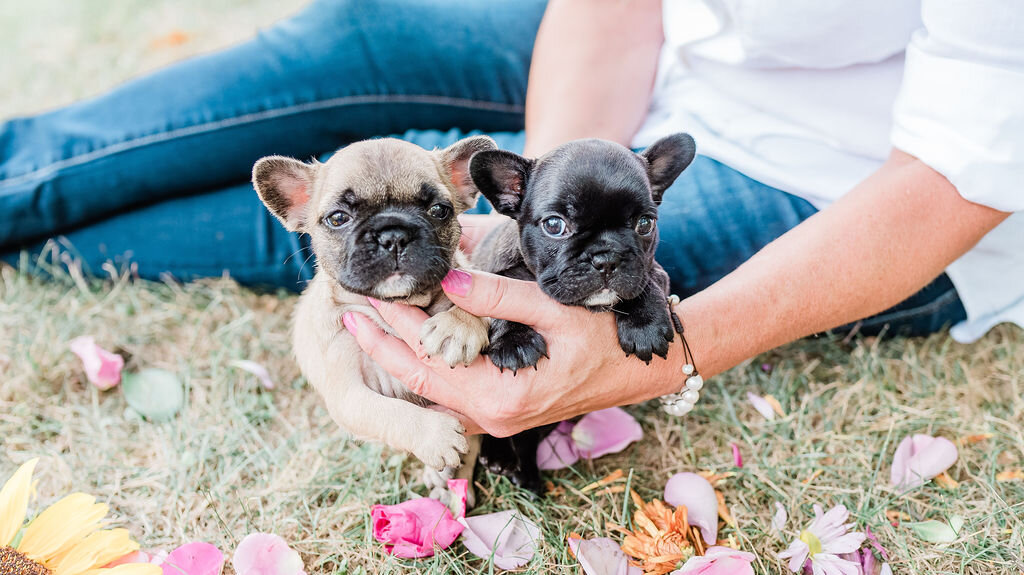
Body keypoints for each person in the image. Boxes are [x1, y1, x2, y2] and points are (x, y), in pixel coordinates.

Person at [2, 1, 1020, 437]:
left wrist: (670, 346)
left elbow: (950, 175)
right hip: (669, 59)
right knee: (360, 36)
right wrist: (529, 194)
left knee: (384, 239)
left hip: (842, 176)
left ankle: (44, 237)